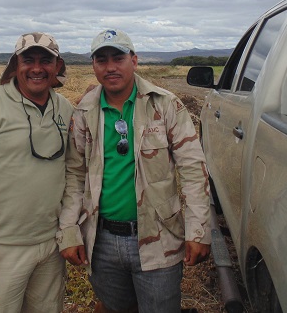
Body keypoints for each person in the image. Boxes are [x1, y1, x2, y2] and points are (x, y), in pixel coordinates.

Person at [58, 29, 211, 313]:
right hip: (101, 241)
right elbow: (74, 176)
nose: (110, 67)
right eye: (101, 60)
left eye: (118, 57)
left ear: (135, 60)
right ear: (93, 66)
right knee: (115, 308)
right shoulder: (84, 113)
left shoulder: (165, 105)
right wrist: (69, 229)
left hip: (158, 237)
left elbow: (192, 169)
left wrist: (198, 230)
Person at [0, 32, 73, 313]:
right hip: (1, 248)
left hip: (50, 245)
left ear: (57, 67)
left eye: (46, 60)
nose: (36, 68)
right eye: (28, 60)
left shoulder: (66, 109)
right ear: (15, 65)